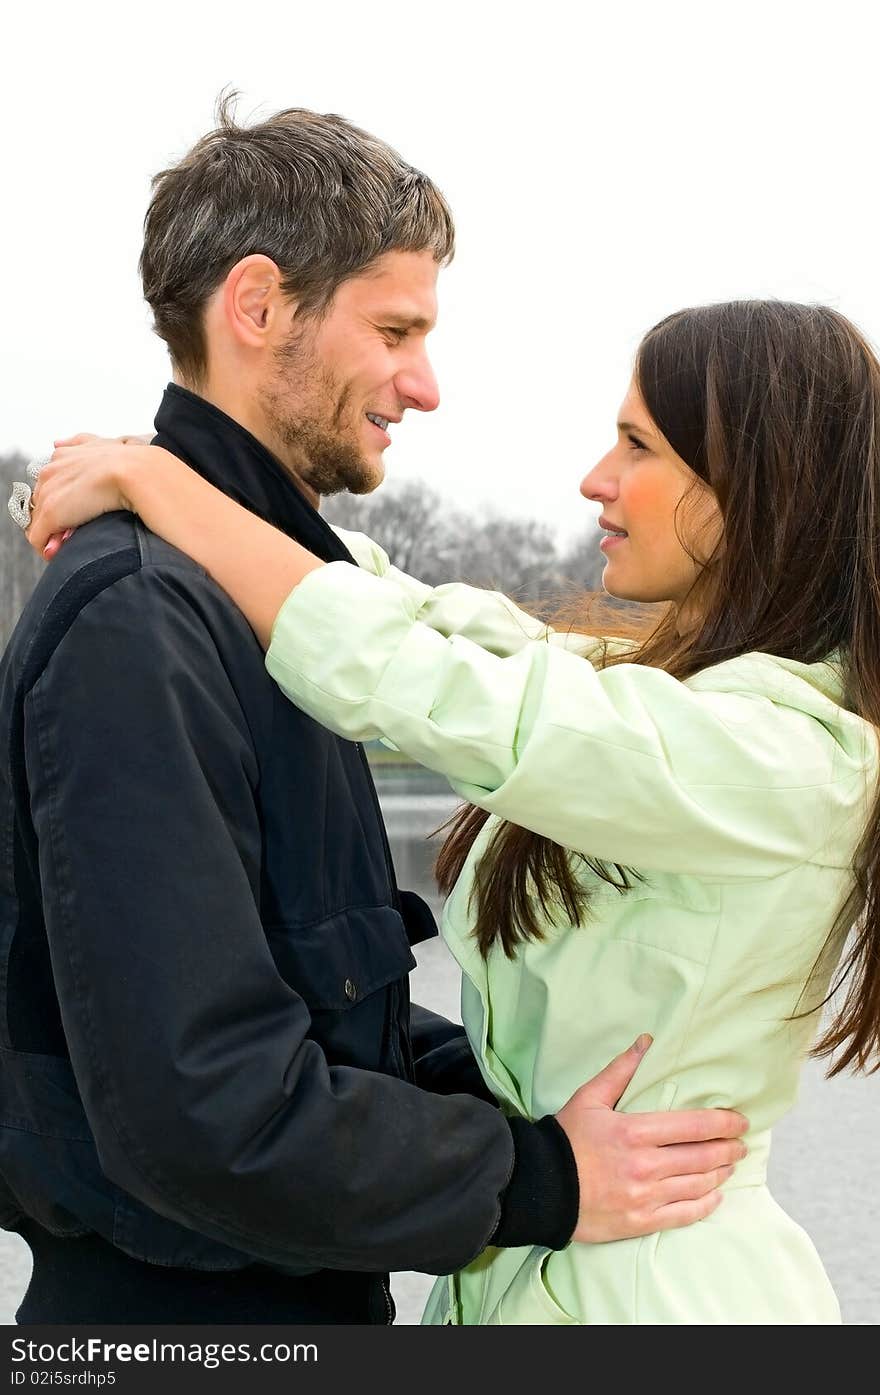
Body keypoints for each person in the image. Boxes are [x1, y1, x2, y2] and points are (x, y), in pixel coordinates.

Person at [0, 102, 746, 1326]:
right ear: (256, 306)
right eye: (394, 329)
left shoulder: (292, 616)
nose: (426, 384)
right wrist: (538, 1180)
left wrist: (567, 1119)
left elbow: (327, 1015)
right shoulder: (140, 625)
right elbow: (207, 1109)